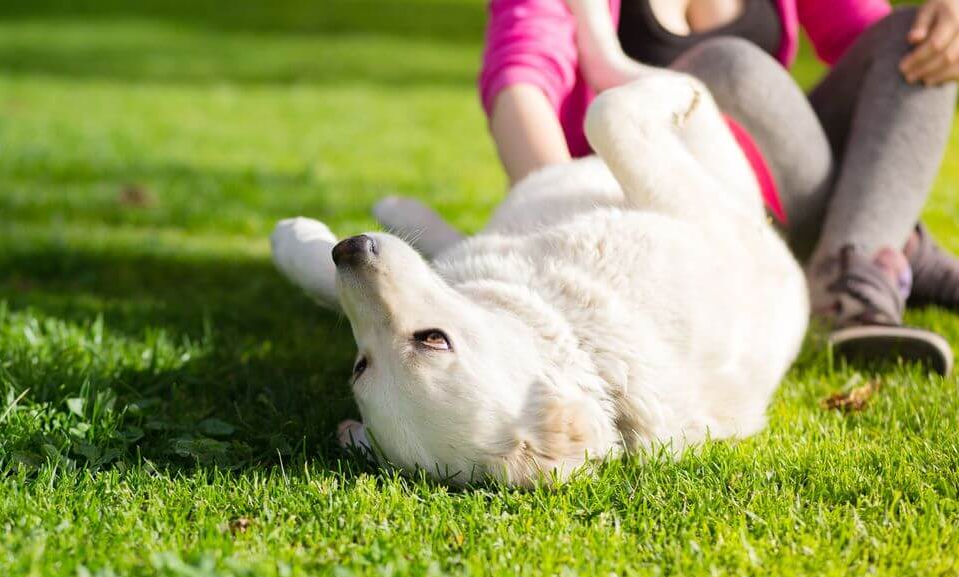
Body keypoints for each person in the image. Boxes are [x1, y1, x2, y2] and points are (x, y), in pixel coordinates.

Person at [376, 0, 959, 373]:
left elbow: (872, 47)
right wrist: (551, 205)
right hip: (676, 220)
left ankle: (852, 277)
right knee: (731, 67)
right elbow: (522, 79)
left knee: (918, 32)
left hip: (780, 187)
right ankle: (887, 245)